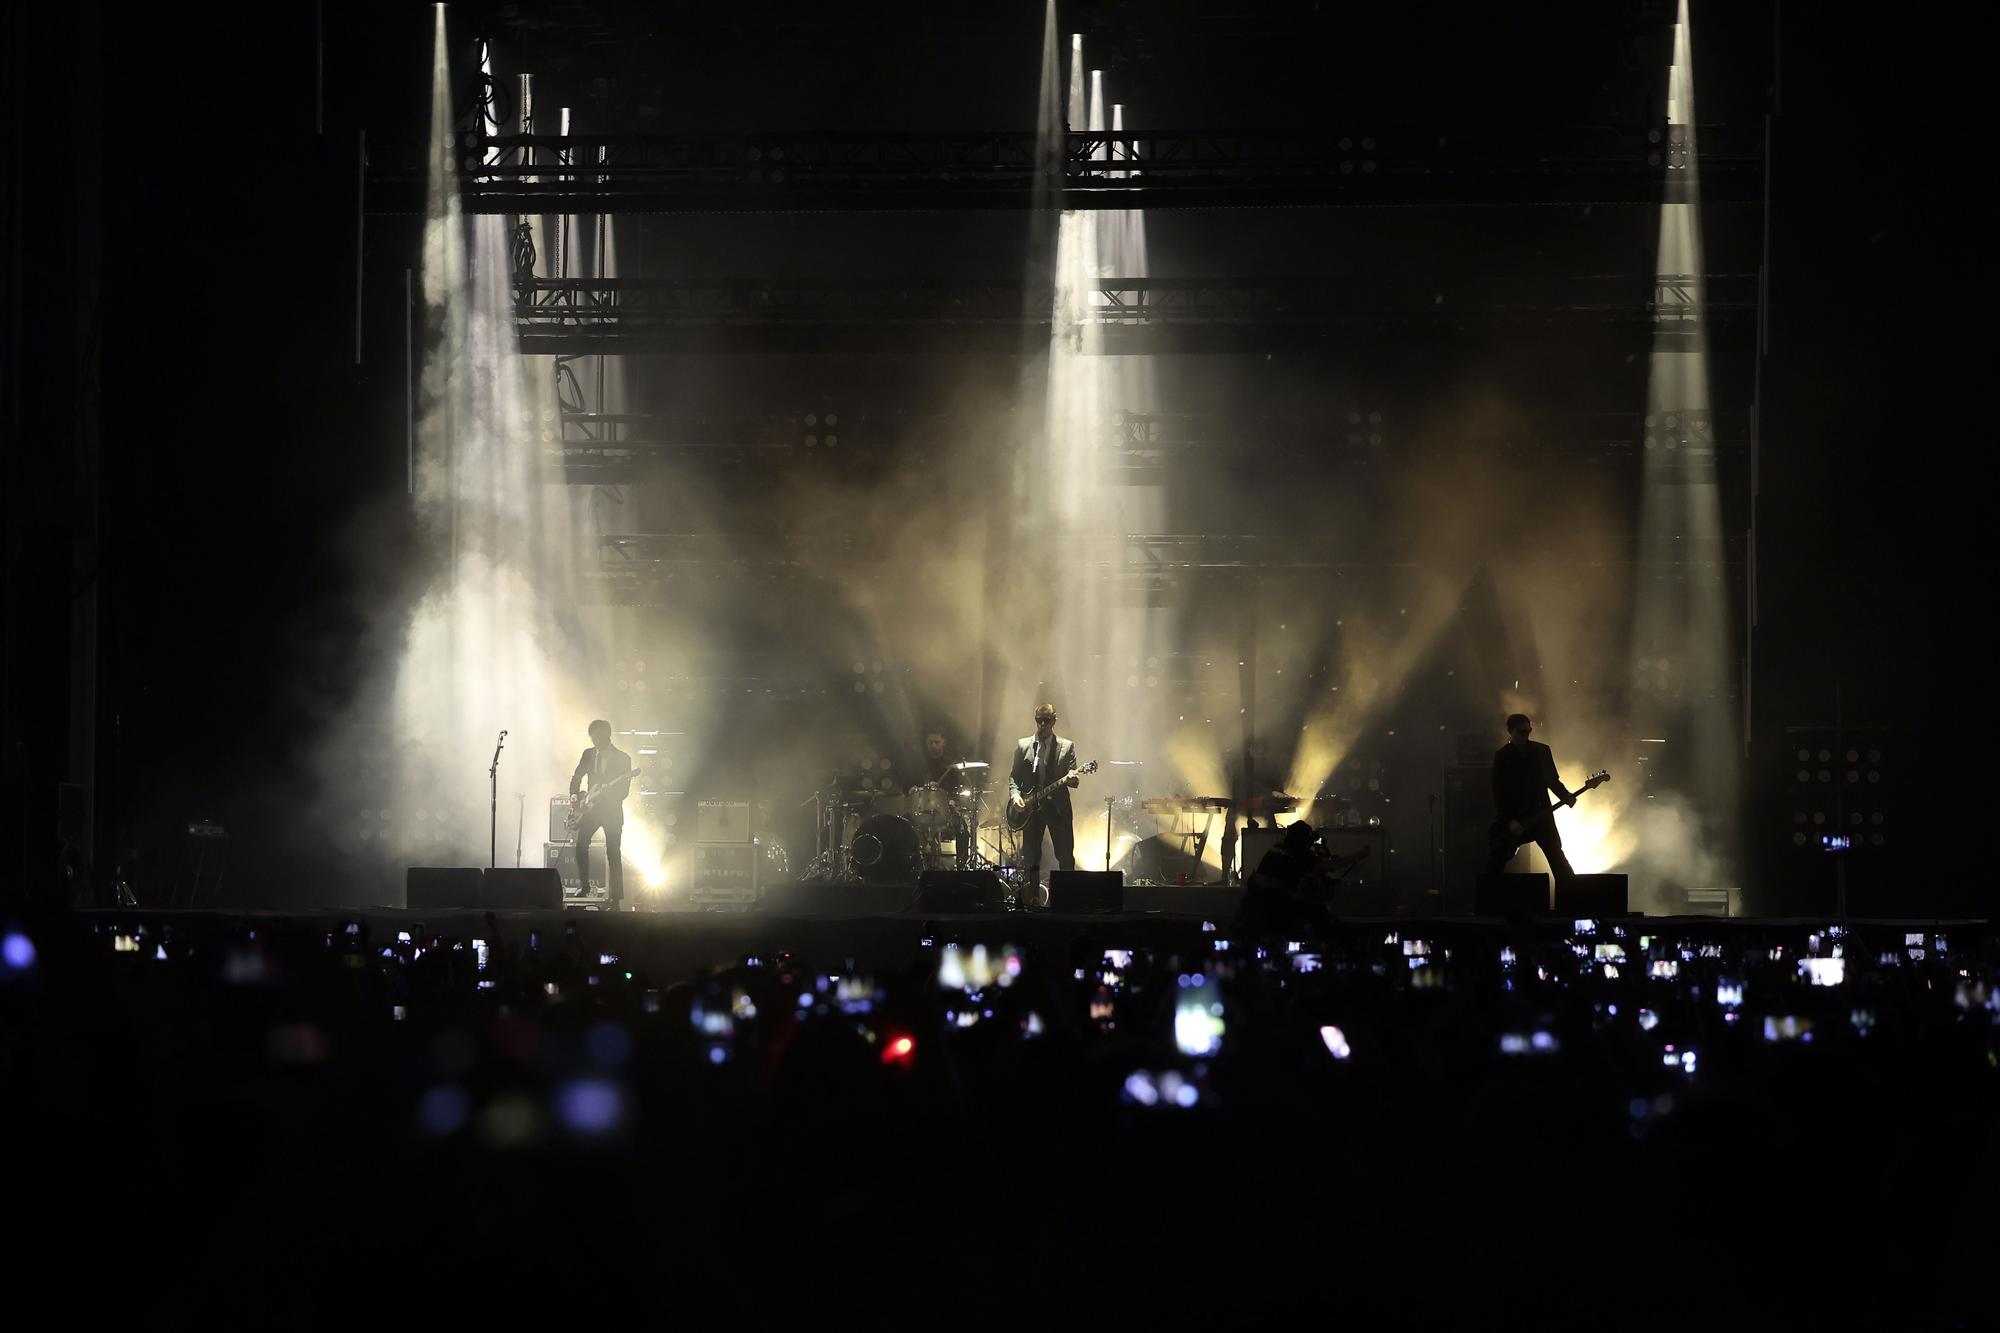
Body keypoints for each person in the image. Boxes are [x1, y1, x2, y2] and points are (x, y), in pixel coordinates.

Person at [1483, 713, 1576, 893]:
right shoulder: (1502, 757)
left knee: (1557, 858)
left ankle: (1573, 899)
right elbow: (1498, 792)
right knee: (1497, 859)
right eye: (1521, 732)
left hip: (1541, 816)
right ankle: (1489, 901)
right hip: (1516, 818)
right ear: (1510, 732)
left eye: (1528, 731)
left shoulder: (1542, 751)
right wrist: (1509, 820)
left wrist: (1565, 795)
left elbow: (1552, 781)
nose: (1525, 735)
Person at [1008, 703, 1078, 903]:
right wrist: (1015, 795)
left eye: (1047, 720)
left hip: (1058, 808)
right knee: (1031, 859)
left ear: (1054, 721)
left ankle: (1067, 901)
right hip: (1032, 810)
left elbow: (1072, 777)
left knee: (1065, 856)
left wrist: (1073, 779)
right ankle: (1033, 901)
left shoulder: (1066, 746)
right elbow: (1014, 777)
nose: (1042, 725)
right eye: (1039, 720)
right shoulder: (1023, 746)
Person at [568, 719, 634, 907]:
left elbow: (624, 791)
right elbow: (577, 776)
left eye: (598, 735)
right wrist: (574, 795)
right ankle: (585, 886)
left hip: (612, 811)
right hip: (590, 809)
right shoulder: (588, 754)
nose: (595, 739)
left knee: (613, 852)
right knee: (581, 845)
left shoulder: (623, 758)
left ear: (607, 734)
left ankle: (616, 897)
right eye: (592, 736)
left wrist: (607, 795)